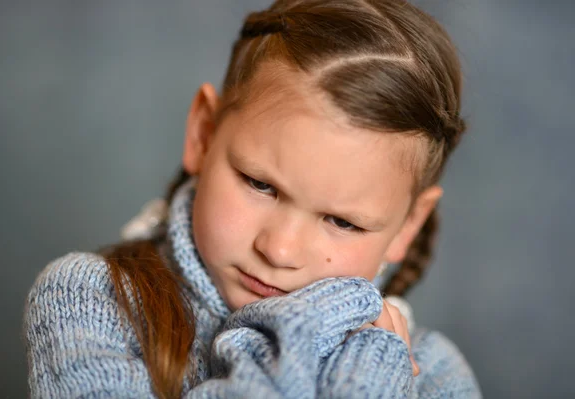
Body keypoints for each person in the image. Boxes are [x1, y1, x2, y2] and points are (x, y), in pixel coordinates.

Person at [24, 0, 482, 397]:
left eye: (343, 222)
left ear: (407, 226)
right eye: (260, 184)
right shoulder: (93, 302)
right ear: (204, 133)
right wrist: (306, 330)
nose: (279, 250)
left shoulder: (433, 371)